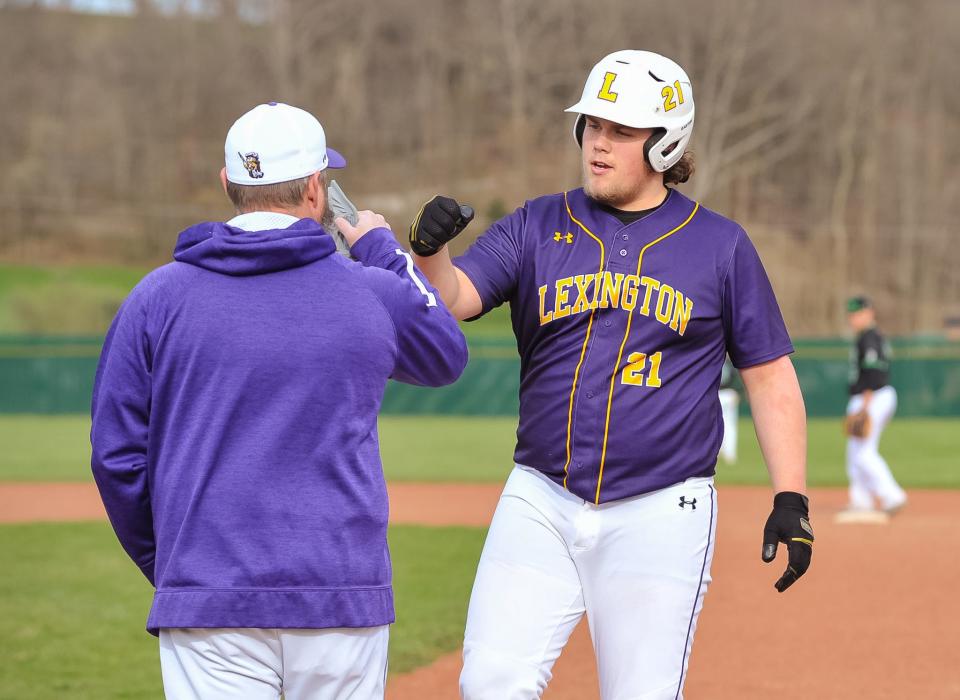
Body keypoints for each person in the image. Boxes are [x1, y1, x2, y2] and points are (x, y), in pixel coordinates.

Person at [409, 50, 814, 699]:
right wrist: (430, 252)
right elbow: (455, 297)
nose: (598, 143)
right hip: (541, 497)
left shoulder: (720, 245)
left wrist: (790, 498)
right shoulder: (539, 223)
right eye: (592, 125)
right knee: (491, 681)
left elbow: (769, 377)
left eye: (620, 131)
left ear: (666, 143)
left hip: (661, 510)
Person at [90, 102, 468, 700]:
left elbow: (116, 457)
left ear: (228, 183)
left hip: (208, 599)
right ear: (316, 189)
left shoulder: (155, 297)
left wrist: (176, 568)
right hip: (341, 594)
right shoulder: (371, 290)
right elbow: (446, 352)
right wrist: (380, 249)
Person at [838, 295, 906, 520]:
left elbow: (873, 373)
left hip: (873, 396)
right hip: (874, 396)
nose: (853, 318)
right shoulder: (869, 336)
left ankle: (892, 495)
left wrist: (864, 406)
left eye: (857, 314)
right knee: (855, 453)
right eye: (851, 315)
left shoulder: (869, 337)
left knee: (864, 452)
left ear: (869, 313)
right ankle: (861, 500)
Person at [718, 357, 740, 464]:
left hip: (717, 394)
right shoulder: (730, 364)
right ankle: (729, 454)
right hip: (728, 393)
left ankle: (720, 451)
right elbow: (736, 380)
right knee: (730, 424)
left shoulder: (712, 361)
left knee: (713, 424)